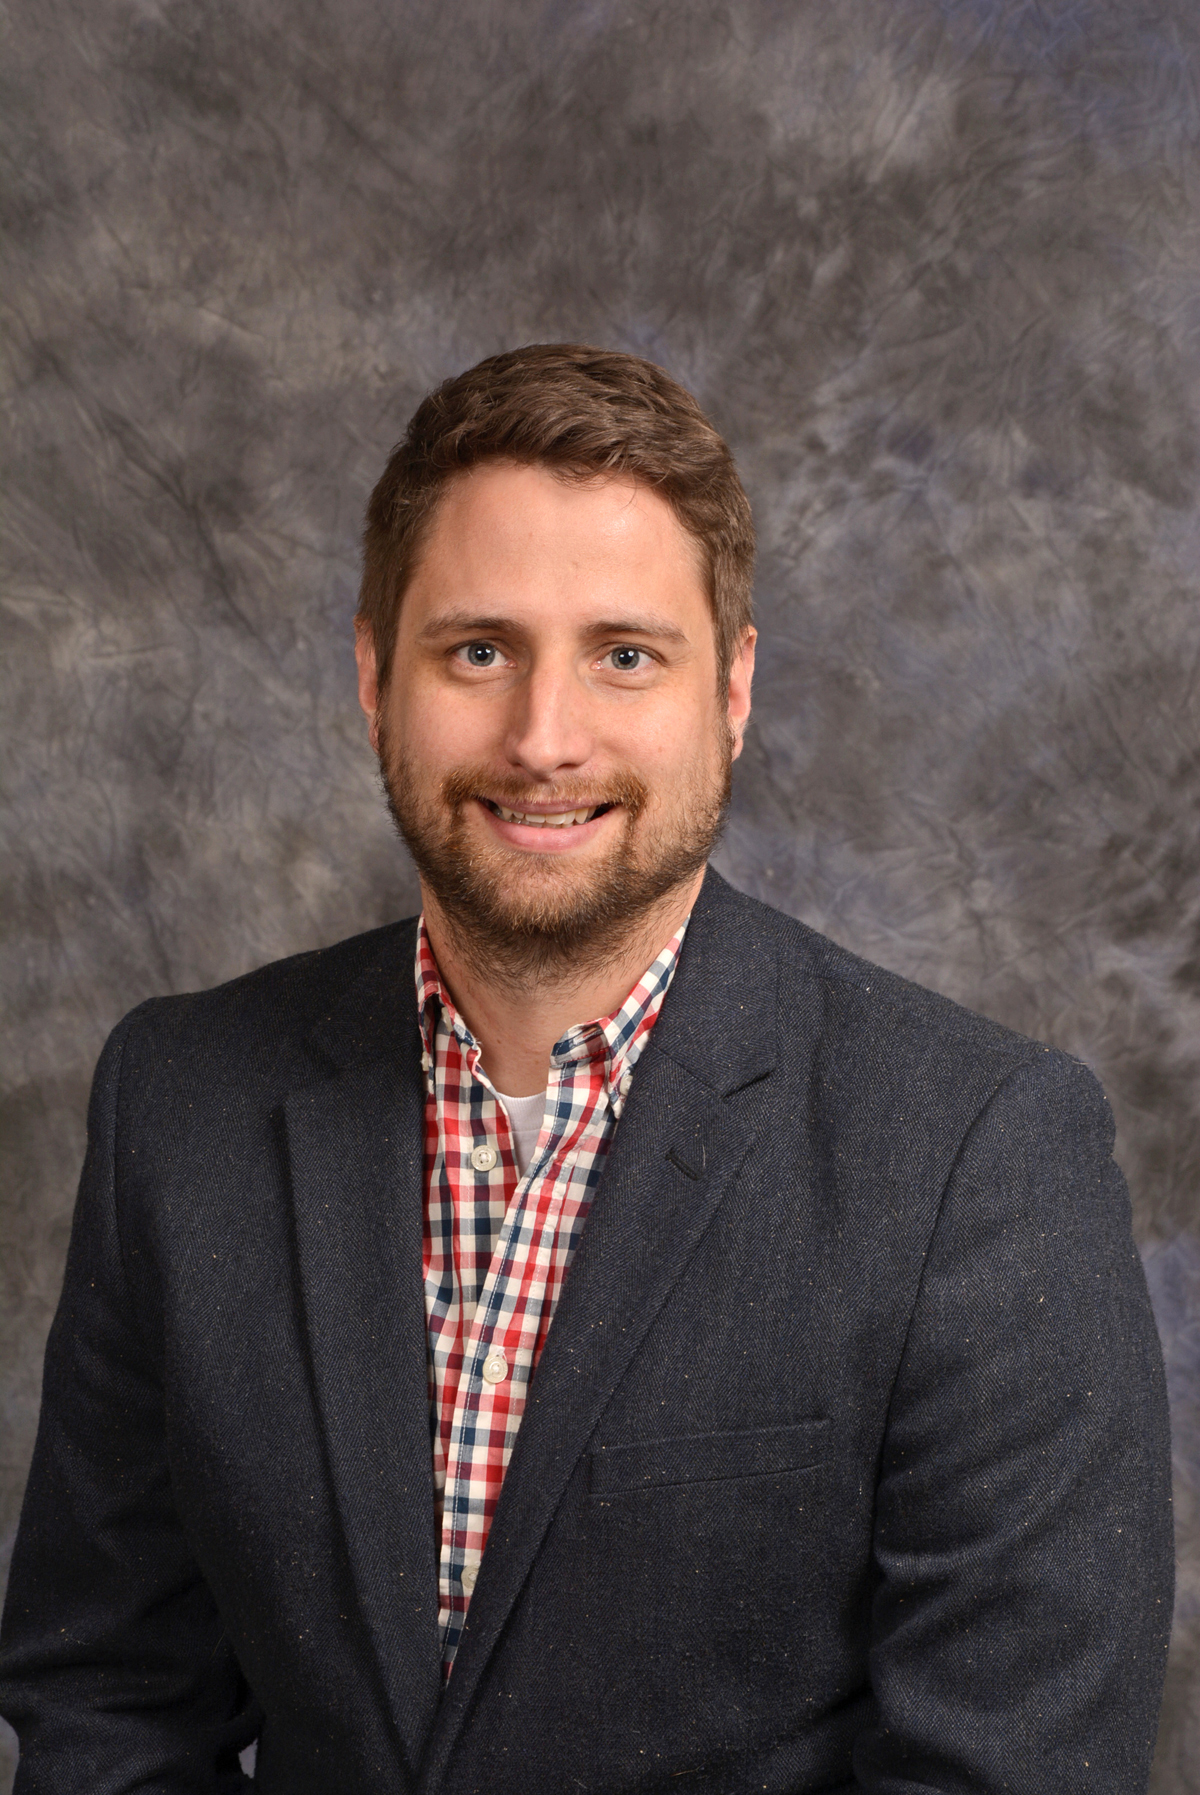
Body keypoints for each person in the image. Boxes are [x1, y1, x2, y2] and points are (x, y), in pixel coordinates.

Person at [0, 344, 1174, 1794]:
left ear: (731, 688)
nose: (543, 740)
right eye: (478, 651)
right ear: (373, 677)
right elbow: (110, 1702)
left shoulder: (974, 1155)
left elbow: (1010, 1771)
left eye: (625, 654)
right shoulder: (182, 1106)